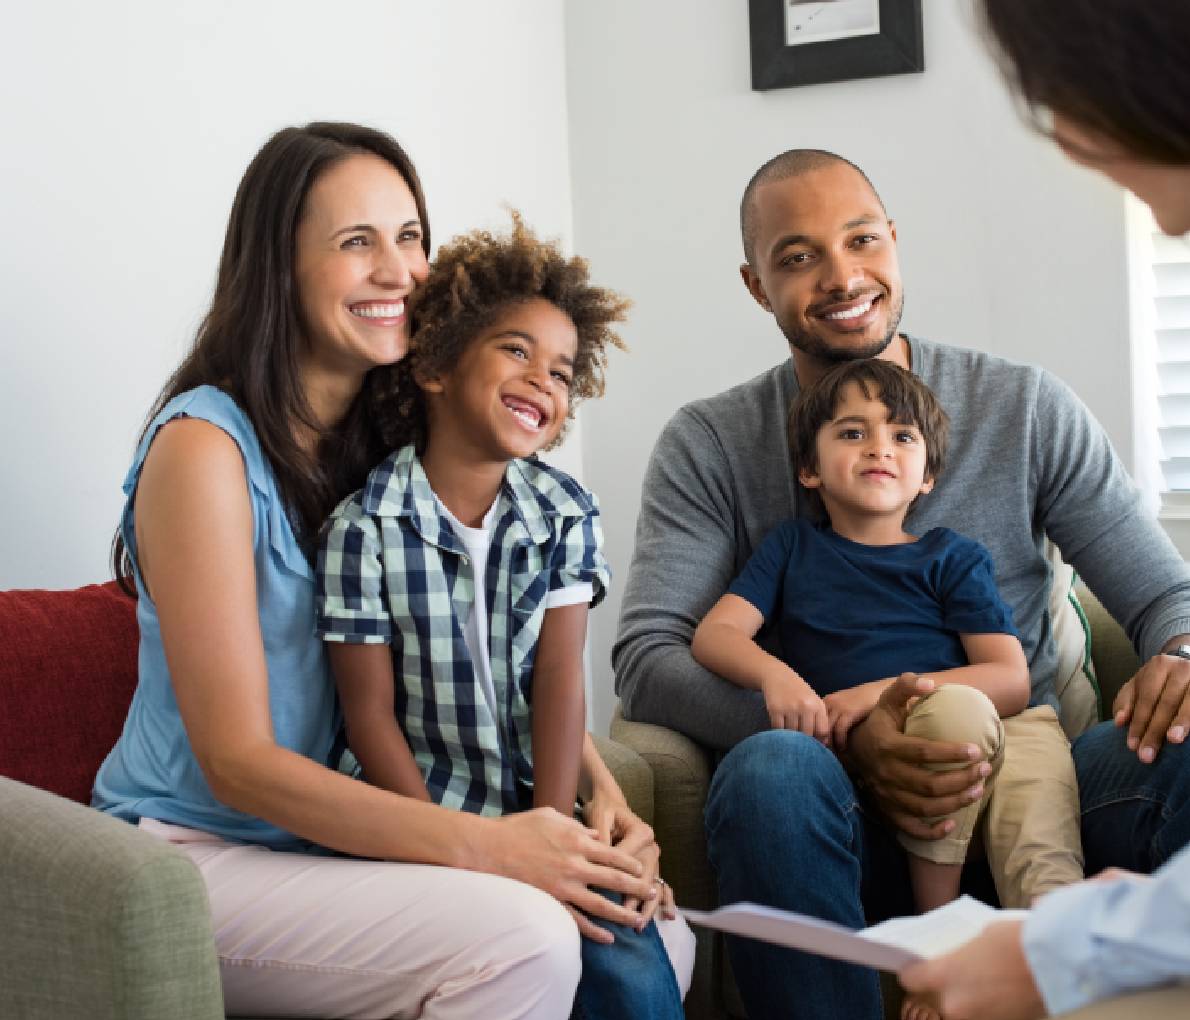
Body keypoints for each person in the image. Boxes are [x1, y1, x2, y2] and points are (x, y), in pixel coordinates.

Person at [92, 121, 682, 1020]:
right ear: (278, 267)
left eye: (409, 237)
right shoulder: (204, 450)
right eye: (355, 242)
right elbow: (236, 764)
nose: (400, 271)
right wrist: (490, 850)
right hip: (190, 853)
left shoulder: (395, 450)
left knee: (652, 930)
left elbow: (493, 673)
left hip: (334, 845)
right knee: (522, 936)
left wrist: (595, 814)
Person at [613, 146, 1190, 1020]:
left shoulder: (1024, 407)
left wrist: (1181, 655)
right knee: (773, 771)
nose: (843, 277)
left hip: (1026, 775)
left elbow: (1163, 599)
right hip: (824, 807)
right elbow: (651, 655)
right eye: (798, 257)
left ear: (895, 242)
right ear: (755, 284)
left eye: (862, 240)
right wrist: (846, 735)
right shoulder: (712, 443)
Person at [316, 212, 693, 1017]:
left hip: (534, 808)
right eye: (516, 351)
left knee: (621, 933)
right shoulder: (363, 529)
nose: (541, 382)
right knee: (578, 940)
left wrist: (554, 834)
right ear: (437, 365)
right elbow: (369, 716)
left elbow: (560, 680)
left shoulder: (565, 512)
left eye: (561, 371)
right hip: (410, 820)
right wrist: (442, 849)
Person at [895, 3, 1190, 1017]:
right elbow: (671, 652)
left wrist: (1076, 944)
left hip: (1019, 727)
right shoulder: (732, 463)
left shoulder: (1016, 409)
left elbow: (1158, 599)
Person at [691, 359, 1080, 928]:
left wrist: (874, 693)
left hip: (1000, 734)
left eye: (902, 435)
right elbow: (716, 634)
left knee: (1043, 849)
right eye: (853, 433)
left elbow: (1009, 678)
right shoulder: (792, 548)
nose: (879, 448)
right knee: (949, 718)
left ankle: (1055, 963)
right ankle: (938, 935)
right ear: (809, 469)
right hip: (886, 764)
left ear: (927, 477)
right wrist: (776, 676)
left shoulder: (953, 556)